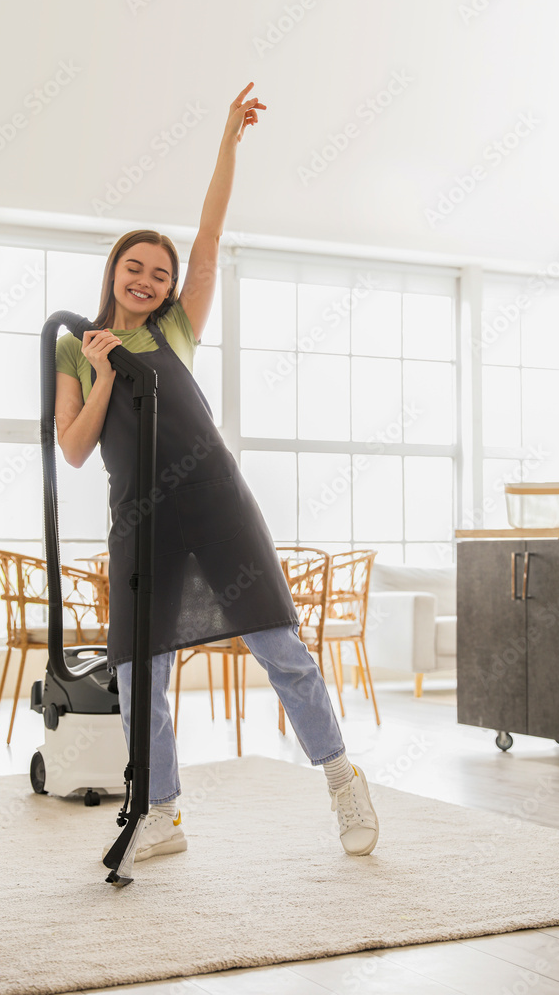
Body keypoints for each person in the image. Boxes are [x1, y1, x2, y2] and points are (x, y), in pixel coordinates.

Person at [55, 82, 379, 863]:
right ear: (113, 271)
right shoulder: (73, 345)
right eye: (134, 267)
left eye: (158, 274)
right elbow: (72, 448)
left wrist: (228, 143)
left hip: (217, 506)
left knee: (282, 651)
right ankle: (160, 810)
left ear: (169, 289)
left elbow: (208, 235)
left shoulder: (175, 327)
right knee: (140, 676)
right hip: (140, 519)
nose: (146, 279)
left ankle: (341, 778)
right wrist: (102, 375)